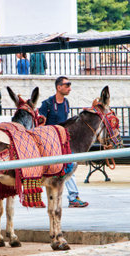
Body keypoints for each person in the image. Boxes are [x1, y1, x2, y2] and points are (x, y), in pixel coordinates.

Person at [39, 76, 89, 208]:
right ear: (58, 87)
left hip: (62, 141)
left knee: (69, 165)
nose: (69, 88)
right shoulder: (47, 104)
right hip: (49, 141)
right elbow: (39, 124)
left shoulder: (66, 102)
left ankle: (73, 197)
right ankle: (73, 197)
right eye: (67, 85)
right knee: (68, 165)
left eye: (69, 85)